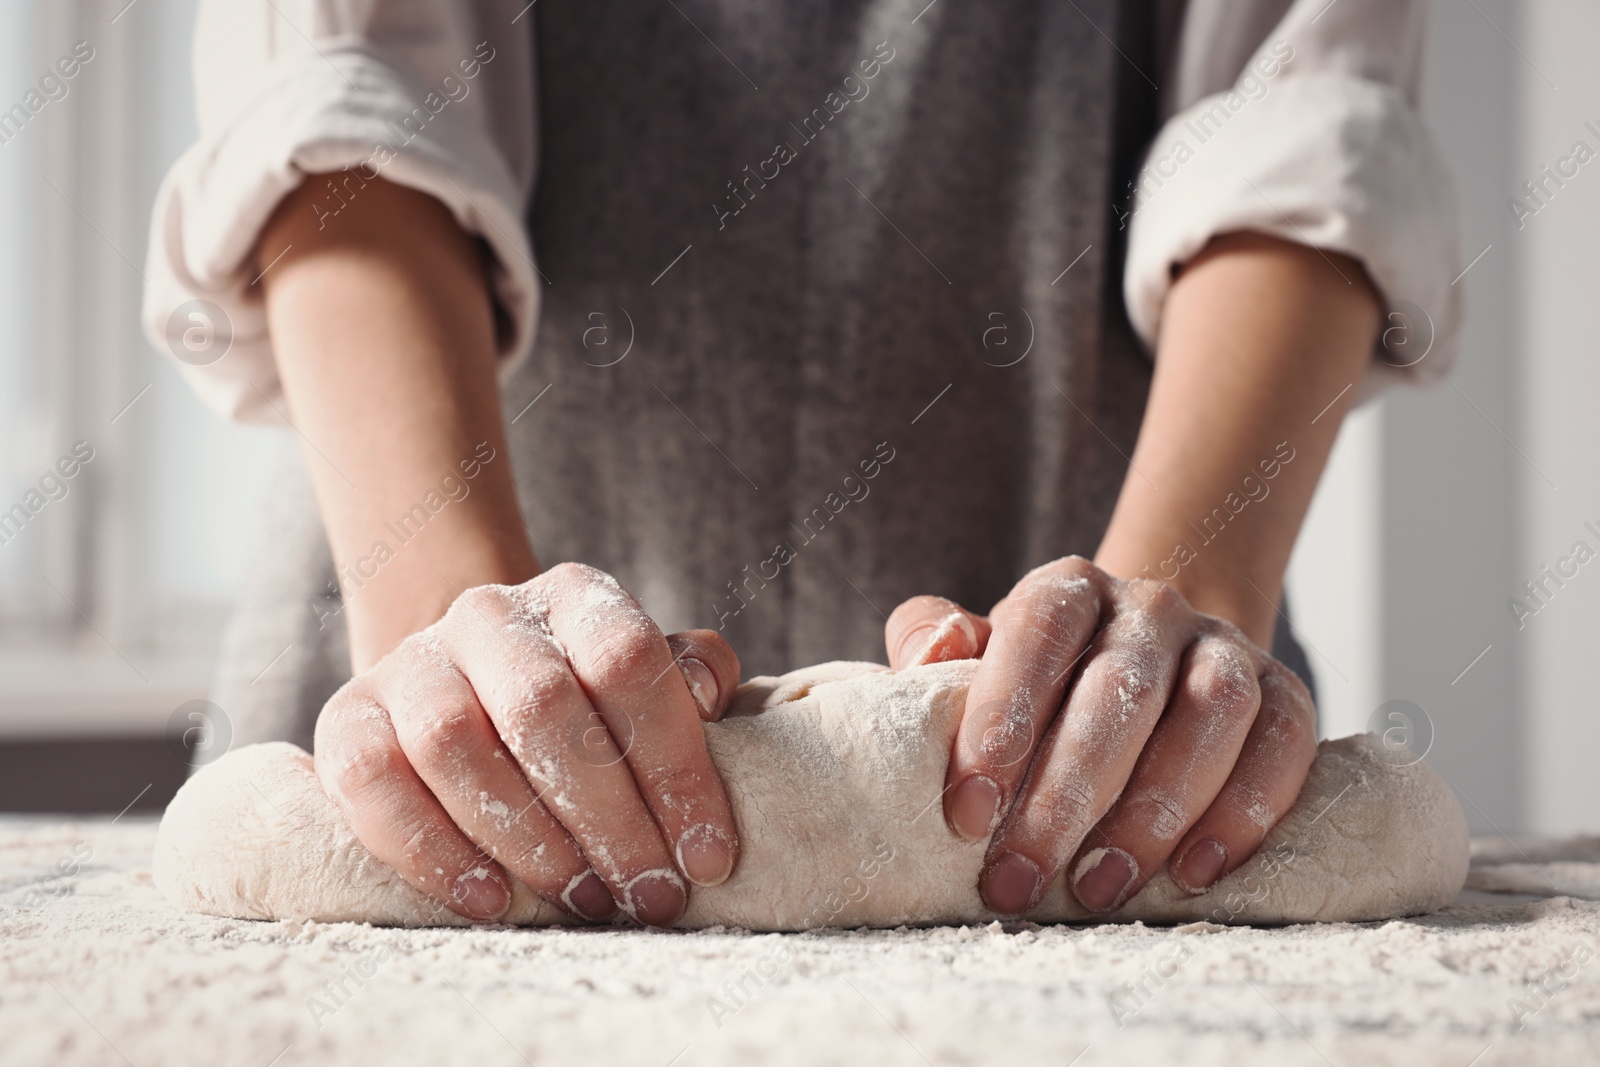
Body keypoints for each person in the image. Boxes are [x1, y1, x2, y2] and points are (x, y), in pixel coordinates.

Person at [144, 0, 1460, 926]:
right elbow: (338, 90)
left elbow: (1296, 111)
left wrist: (1180, 588)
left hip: (1142, 686)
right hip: (433, 616)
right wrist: (441, 615)